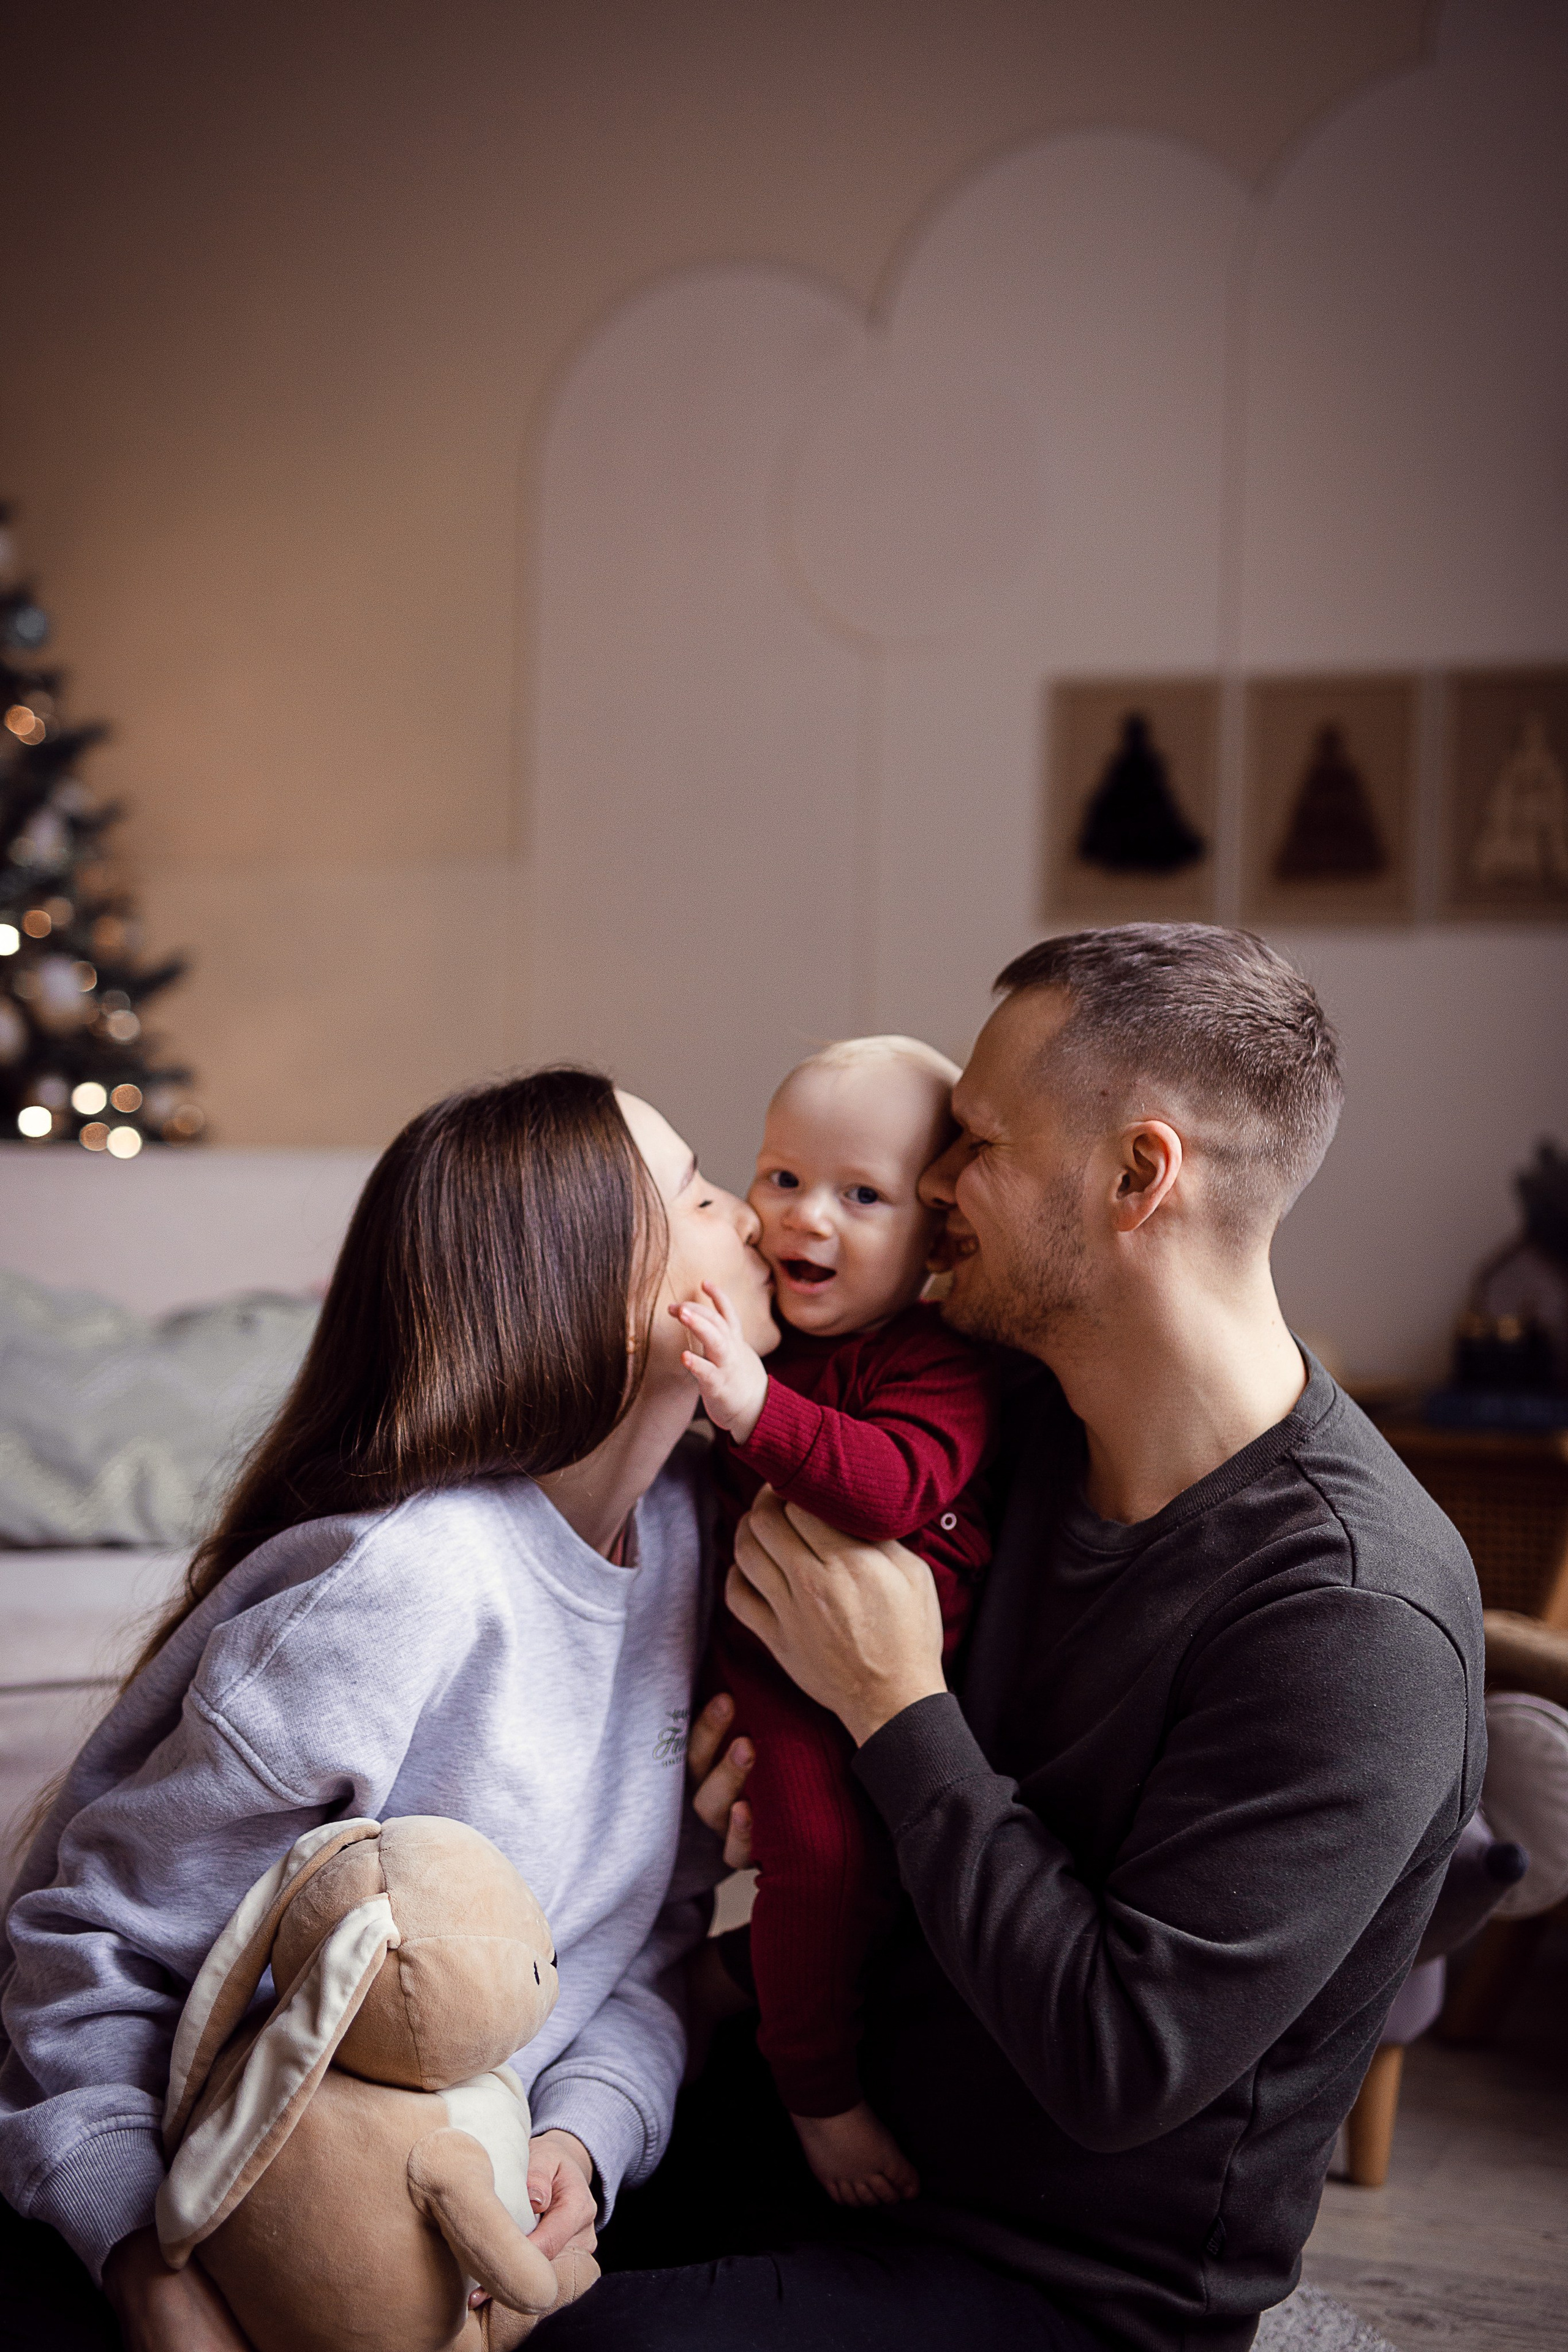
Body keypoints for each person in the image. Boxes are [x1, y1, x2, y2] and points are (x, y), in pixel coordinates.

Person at [541, 924, 1483, 2352]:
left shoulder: (1354, 1612)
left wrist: (891, 1708)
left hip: (1050, 2276)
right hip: (819, 2130)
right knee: (386, 2265)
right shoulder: (1002, 1424)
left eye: (972, 1140)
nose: (927, 1184)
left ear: (1135, 1175)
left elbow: (1122, 2061)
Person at [0, 1067, 778, 2352]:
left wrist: (582, 2143)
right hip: (210, 2212)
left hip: (453, 2215)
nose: (748, 1216)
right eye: (697, 1196)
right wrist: (142, 2262)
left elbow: (646, 1944)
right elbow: (93, 1960)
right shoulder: (399, 1590)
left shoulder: (703, 1534)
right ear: (587, 1283)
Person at [676, 1038, 997, 2206]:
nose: (805, 1217)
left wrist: (753, 1410)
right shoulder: (751, 1338)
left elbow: (892, 1487)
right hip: (775, 1665)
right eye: (780, 1178)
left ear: (938, 1236)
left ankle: (722, 1984)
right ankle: (817, 2095)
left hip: (903, 1679)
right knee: (816, 1852)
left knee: (898, 1890)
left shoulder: (937, 1365)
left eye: (863, 1195)